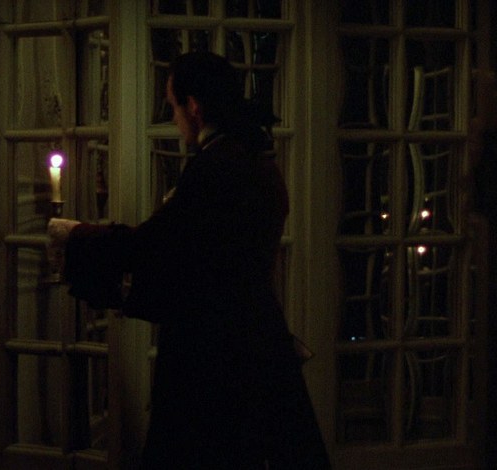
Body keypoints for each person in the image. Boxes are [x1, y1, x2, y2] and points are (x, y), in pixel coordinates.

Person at [48, 51, 330, 469]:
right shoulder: (256, 161)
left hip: (213, 354)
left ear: (194, 106)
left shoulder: (215, 166)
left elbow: (157, 244)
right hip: (257, 339)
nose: (174, 118)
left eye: (173, 105)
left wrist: (75, 236)